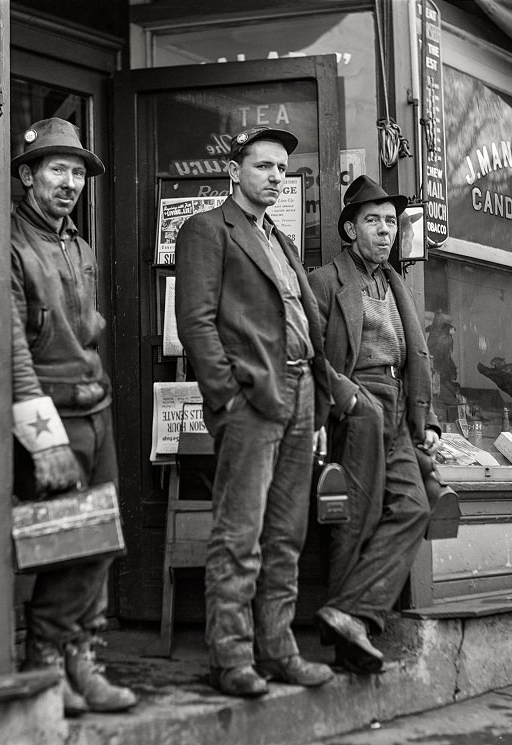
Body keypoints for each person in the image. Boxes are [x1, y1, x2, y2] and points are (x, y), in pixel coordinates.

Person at [175, 125, 335, 698]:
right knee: (239, 534)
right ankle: (232, 657)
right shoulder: (205, 230)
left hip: (300, 396)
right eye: (264, 166)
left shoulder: (281, 240)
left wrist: (317, 398)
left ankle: (279, 650)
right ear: (234, 172)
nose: (275, 176)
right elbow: (194, 322)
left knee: (286, 536)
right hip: (252, 399)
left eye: (281, 170)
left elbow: (304, 322)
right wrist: (226, 397)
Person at [10, 117, 136, 715]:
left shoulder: (79, 245)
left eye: (77, 171)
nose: (69, 182)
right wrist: (42, 438)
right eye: (56, 169)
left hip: (96, 406)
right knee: (66, 543)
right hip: (50, 415)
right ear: (27, 175)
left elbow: (86, 334)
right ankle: (45, 662)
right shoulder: (7, 240)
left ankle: (83, 660)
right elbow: (11, 346)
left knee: (102, 541)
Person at [308, 175, 441, 674]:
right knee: (354, 520)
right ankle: (347, 642)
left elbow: (416, 356)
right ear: (350, 228)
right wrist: (346, 400)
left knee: (413, 505)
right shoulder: (325, 281)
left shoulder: (395, 283)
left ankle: (351, 613)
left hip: (396, 406)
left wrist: (424, 419)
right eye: (373, 221)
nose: (385, 231)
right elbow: (310, 355)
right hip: (356, 403)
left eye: (390, 222)